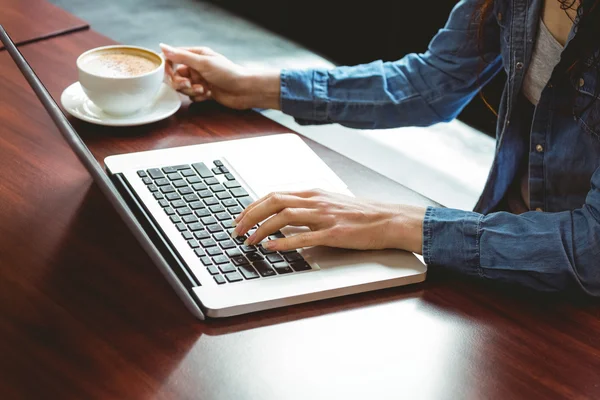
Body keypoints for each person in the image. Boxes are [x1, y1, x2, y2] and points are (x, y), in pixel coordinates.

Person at [159, 0, 600, 295]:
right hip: (498, 255)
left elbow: (592, 247)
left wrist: (391, 221)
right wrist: (252, 87)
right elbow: (432, 83)